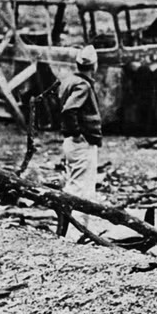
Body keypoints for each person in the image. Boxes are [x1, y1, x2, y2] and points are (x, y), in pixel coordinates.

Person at [58, 45, 103, 205]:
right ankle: (76, 228)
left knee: (75, 185)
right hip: (82, 141)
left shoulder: (70, 81)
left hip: (72, 142)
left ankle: (69, 226)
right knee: (82, 190)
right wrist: (76, 133)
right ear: (94, 66)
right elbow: (69, 110)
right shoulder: (83, 85)